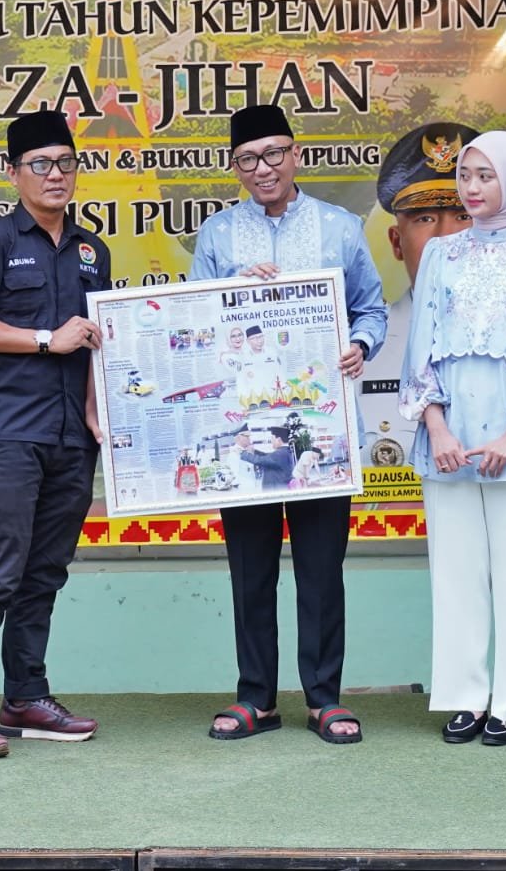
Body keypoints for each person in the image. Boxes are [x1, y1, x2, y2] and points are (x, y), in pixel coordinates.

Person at [189, 104, 387, 745]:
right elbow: (191, 325)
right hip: (246, 429)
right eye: (248, 159)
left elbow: (372, 308)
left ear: (296, 154)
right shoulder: (218, 235)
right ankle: (257, 697)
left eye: (273, 153)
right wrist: (229, 291)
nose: (263, 168)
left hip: (320, 430)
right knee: (251, 570)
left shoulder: (340, 228)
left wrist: (360, 344)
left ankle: (325, 698)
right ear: (235, 167)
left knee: (321, 569)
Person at [0, 109, 112, 761]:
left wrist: (96, 410)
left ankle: (25, 697)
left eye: (66, 163)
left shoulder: (93, 251)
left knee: (45, 574)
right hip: (9, 435)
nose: (55, 175)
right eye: (41, 164)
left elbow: (94, 341)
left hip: (71, 439)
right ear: (14, 174)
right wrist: (43, 339)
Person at [398, 130, 506, 747]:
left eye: (485, 176)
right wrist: (436, 426)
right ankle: (464, 697)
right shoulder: (440, 254)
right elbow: (420, 346)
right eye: (465, 176)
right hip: (448, 440)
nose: (471, 188)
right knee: (456, 576)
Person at [358, 122, 478, 468]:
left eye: (463, 215)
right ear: (396, 242)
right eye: (425, 218)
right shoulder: (363, 348)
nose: (446, 237)